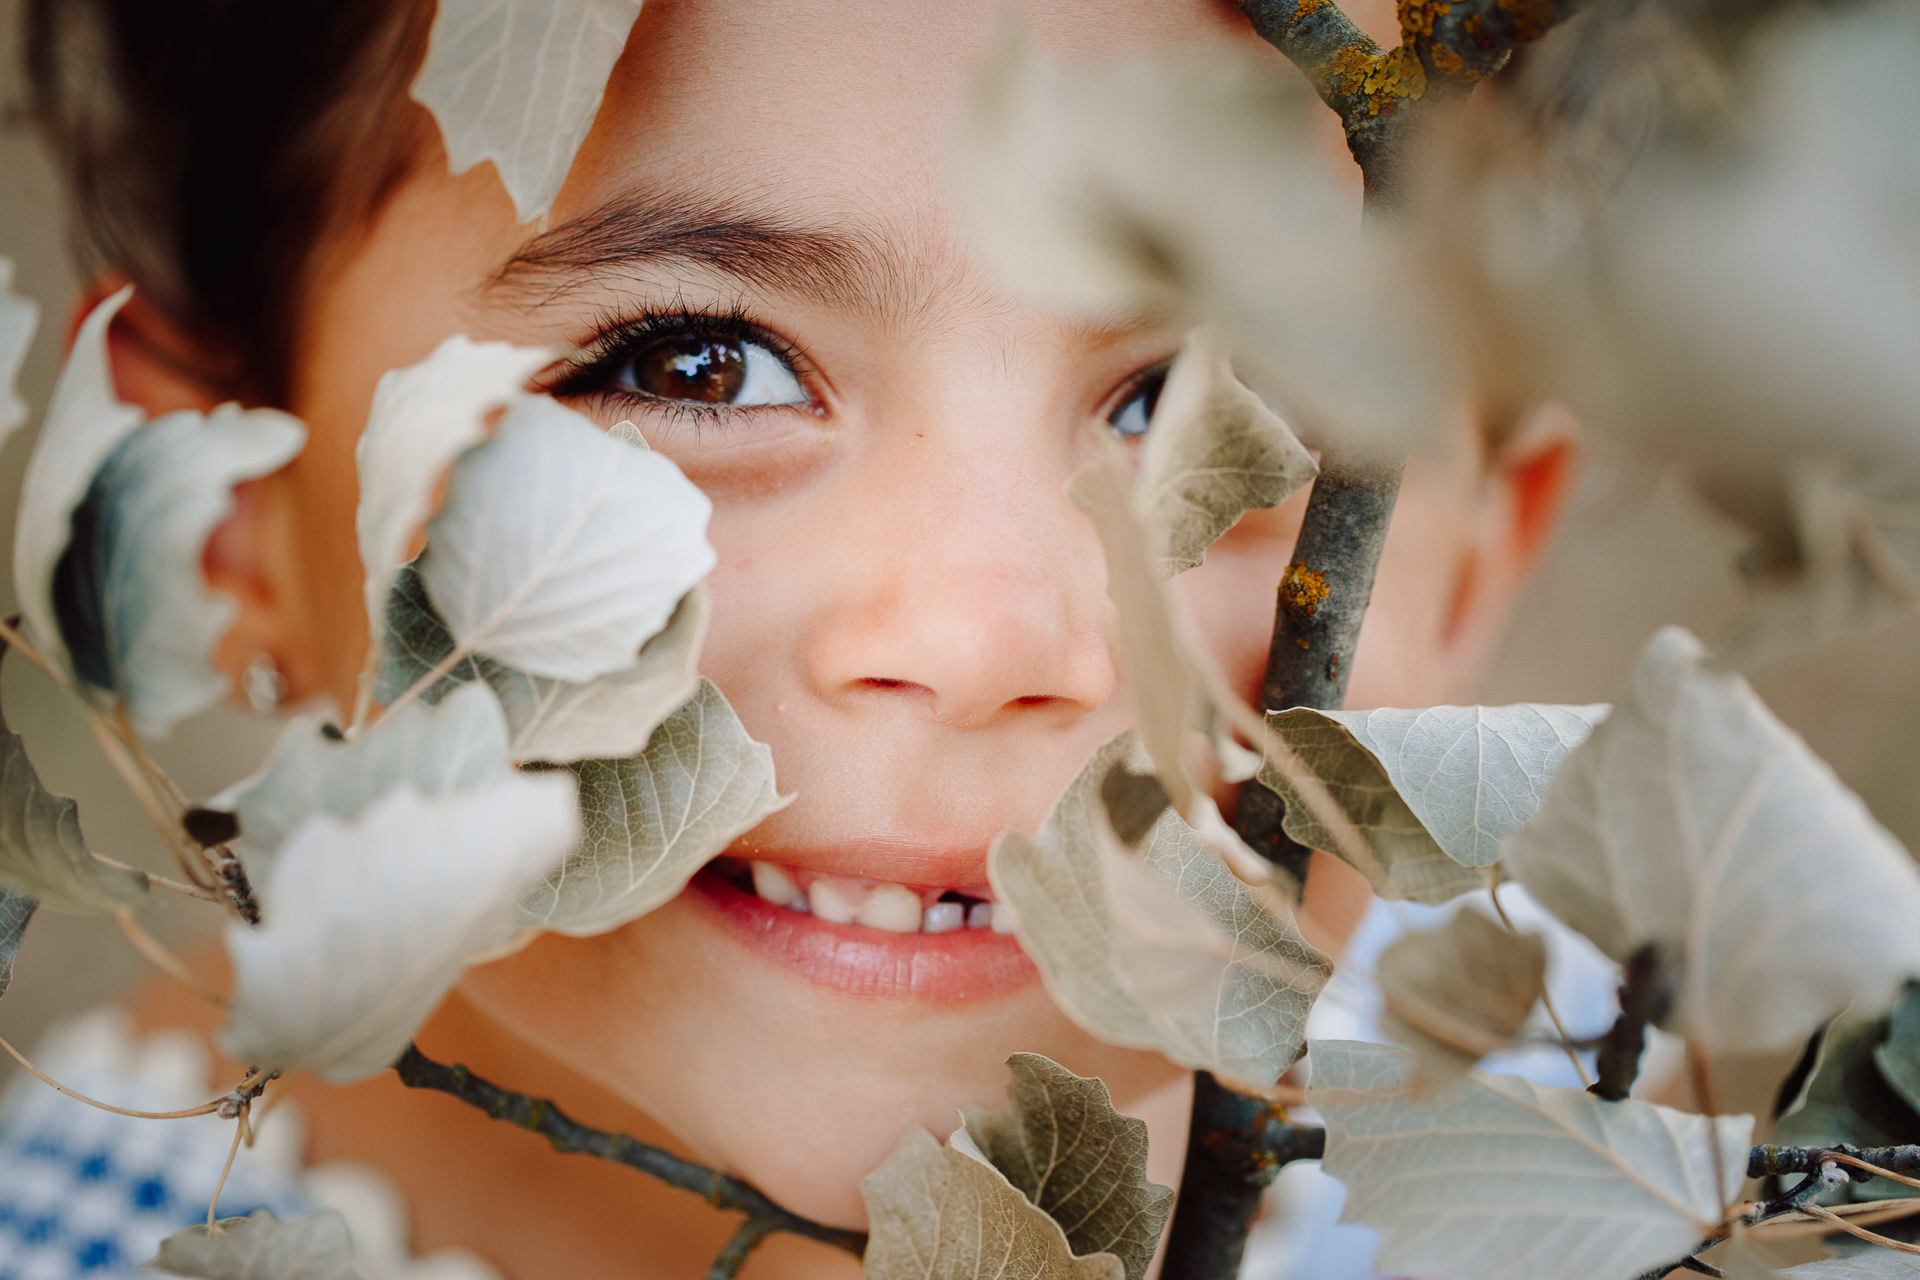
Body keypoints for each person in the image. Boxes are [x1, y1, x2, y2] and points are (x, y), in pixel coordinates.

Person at [3, 0, 1577, 1275]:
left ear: (1463, 574)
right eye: (699, 368)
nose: (979, 640)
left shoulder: (1634, 1151)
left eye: (1201, 408)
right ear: (212, 502)